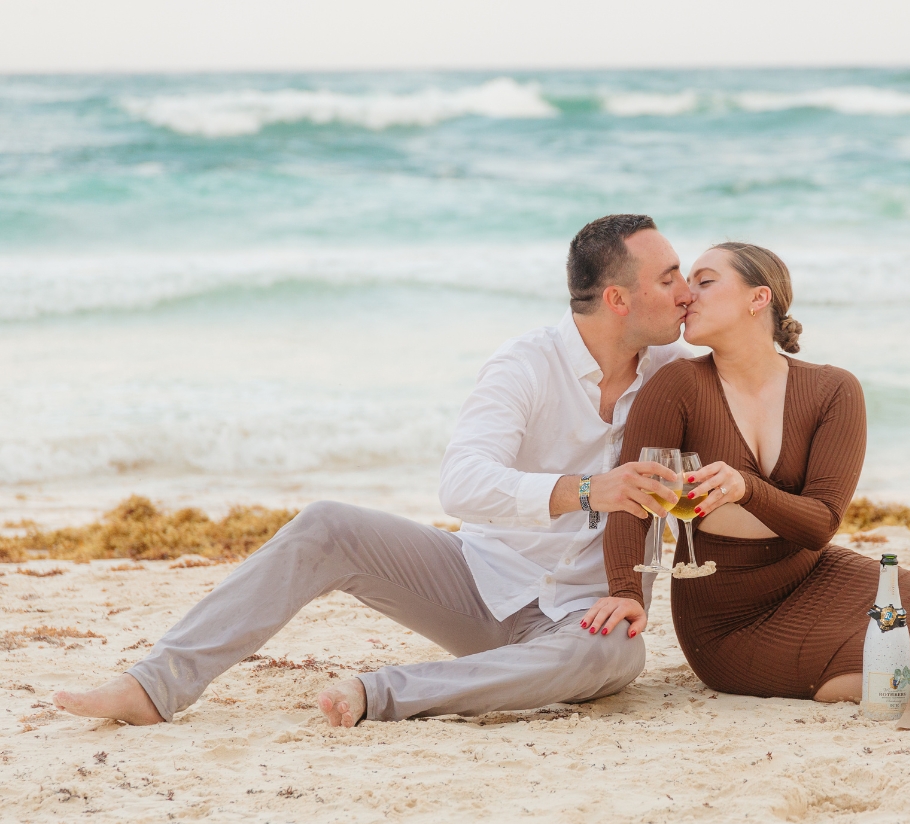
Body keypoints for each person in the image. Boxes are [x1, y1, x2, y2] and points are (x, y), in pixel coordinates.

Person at [53, 213, 690, 727]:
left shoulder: (673, 372)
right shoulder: (523, 365)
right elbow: (461, 483)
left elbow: (753, 376)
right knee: (326, 524)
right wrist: (586, 490)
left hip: (585, 613)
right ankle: (154, 685)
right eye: (669, 280)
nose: (685, 292)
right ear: (618, 299)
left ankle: (382, 692)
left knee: (618, 655)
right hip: (480, 583)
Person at [582, 242, 910, 702]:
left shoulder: (833, 390)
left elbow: (820, 523)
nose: (687, 295)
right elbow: (633, 496)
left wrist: (746, 489)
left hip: (813, 573)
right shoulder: (676, 385)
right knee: (901, 664)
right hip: (728, 621)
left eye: (704, 282)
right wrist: (627, 592)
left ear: (758, 297)